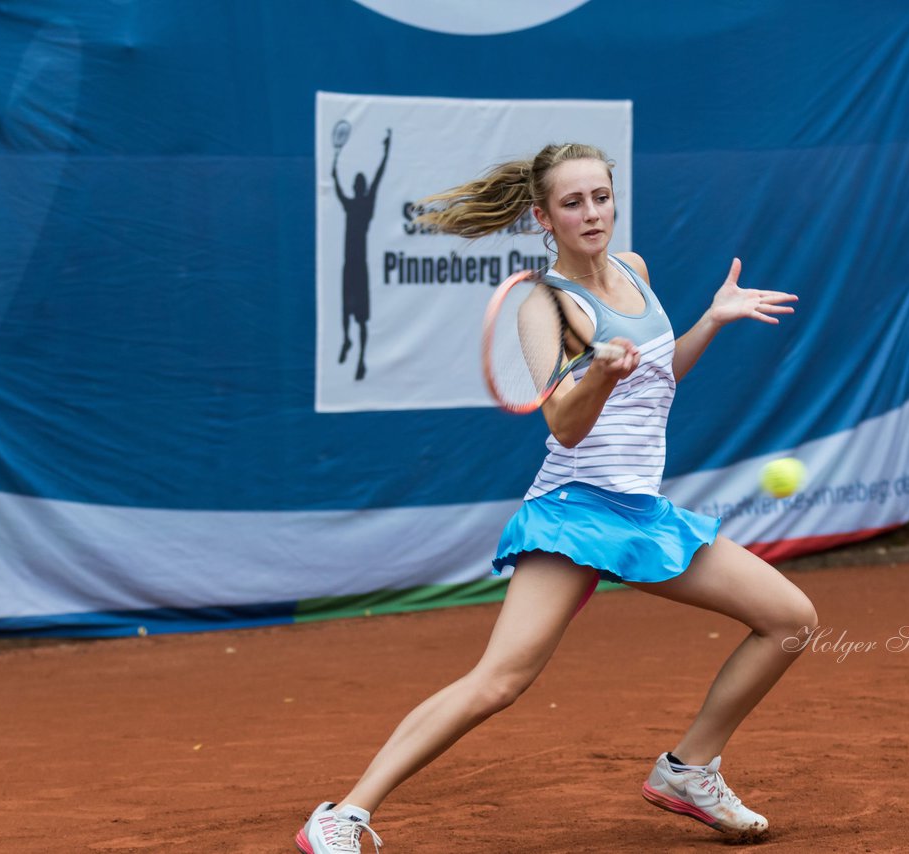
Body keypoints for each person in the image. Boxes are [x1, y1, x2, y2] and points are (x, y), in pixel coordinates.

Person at [296, 143, 818, 854]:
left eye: (600, 196)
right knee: (499, 681)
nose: (592, 213)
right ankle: (343, 814)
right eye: (573, 203)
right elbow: (565, 425)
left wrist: (711, 321)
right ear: (543, 217)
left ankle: (688, 770)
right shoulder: (545, 305)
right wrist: (598, 374)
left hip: (641, 511)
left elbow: (662, 378)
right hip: (574, 511)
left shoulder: (634, 269)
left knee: (790, 618)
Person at [333, 129, 391, 381]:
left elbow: (378, 178)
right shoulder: (350, 204)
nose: (358, 185)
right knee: (345, 313)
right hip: (349, 266)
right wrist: (334, 164)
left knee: (362, 321)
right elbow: (336, 188)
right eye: (356, 183)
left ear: (363, 187)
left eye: (360, 183)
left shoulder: (366, 204)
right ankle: (346, 341)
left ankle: (361, 361)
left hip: (360, 268)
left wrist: (386, 152)